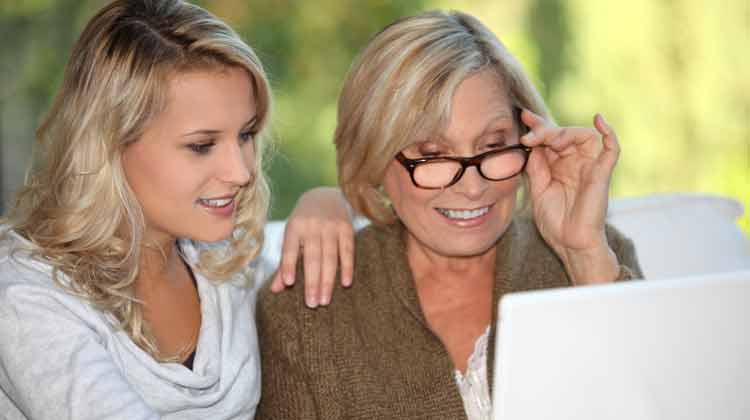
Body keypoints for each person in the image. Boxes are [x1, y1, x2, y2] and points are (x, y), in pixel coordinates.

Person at [256, 10, 643, 420]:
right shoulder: (304, 313)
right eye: (432, 155)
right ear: (376, 156)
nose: (473, 186)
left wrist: (583, 256)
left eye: (494, 145)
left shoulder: (600, 258)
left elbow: (664, 399)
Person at [0, 1, 353, 419]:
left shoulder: (224, 262)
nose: (241, 172)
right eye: (202, 145)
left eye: (245, 135)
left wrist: (329, 201)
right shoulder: (26, 296)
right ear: (110, 144)